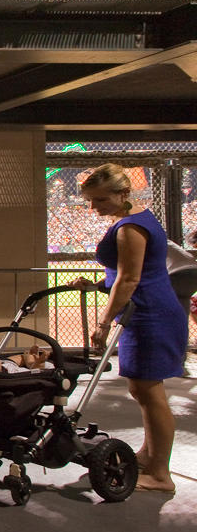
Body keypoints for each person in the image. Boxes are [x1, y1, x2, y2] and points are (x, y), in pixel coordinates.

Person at [68, 163, 185, 493]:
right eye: (90, 201)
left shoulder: (129, 228)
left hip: (149, 315)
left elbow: (131, 278)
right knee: (143, 390)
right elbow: (133, 273)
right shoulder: (136, 219)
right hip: (147, 311)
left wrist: (104, 323)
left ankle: (160, 474)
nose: (94, 208)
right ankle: (149, 455)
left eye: (100, 200)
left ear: (123, 194)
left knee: (149, 393)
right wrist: (96, 284)